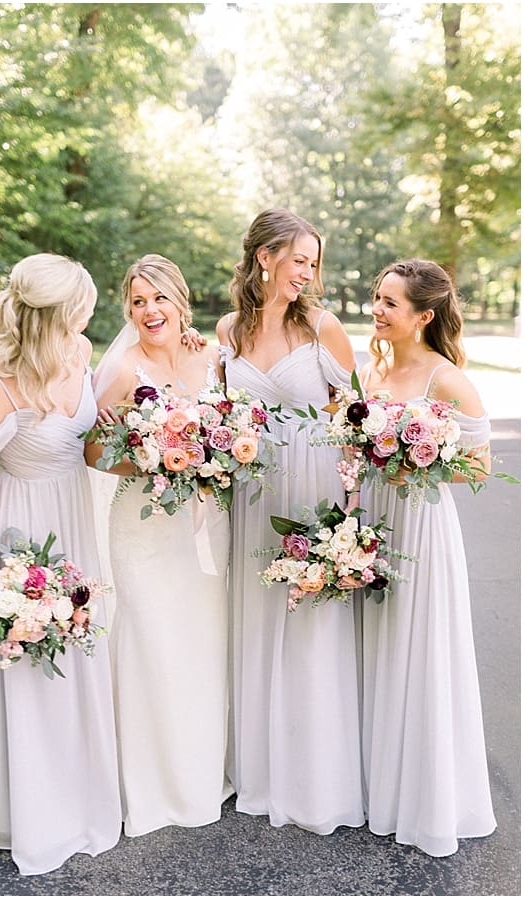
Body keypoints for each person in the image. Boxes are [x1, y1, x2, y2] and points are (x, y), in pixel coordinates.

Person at [0, 252, 121, 875]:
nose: (89, 316)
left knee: (80, 658)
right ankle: (36, 814)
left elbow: (95, 437)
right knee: (31, 670)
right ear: (55, 315)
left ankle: (84, 800)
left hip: (75, 522)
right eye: (80, 307)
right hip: (21, 540)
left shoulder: (80, 353)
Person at [216, 208, 365, 834]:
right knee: (255, 620)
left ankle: (317, 777)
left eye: (313, 262)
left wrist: (350, 513)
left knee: (311, 624)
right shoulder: (227, 330)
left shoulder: (323, 328)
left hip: (315, 488)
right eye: (298, 259)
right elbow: (216, 410)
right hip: (253, 494)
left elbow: (357, 417)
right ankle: (260, 769)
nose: (307, 272)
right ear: (264, 257)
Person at [87, 254, 232, 836]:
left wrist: (211, 459)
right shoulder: (123, 369)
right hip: (143, 526)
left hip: (204, 527)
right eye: (138, 302)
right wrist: (152, 460)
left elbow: (233, 427)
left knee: (199, 644)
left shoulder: (210, 358)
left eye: (159, 299)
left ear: (181, 302)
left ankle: (198, 771)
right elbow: (93, 453)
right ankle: (146, 784)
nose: (149, 311)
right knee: (151, 644)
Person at [358, 259, 496, 856]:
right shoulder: (376, 368)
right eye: (377, 298)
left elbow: (480, 468)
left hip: (422, 525)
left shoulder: (446, 379)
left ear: (424, 315)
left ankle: (427, 796)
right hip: (377, 519)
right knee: (380, 644)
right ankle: (378, 784)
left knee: (422, 650)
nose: (377, 310)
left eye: (390, 303)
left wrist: (418, 459)